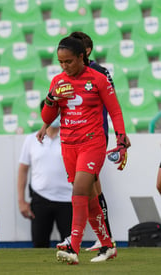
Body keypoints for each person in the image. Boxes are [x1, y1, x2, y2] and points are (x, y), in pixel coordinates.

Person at [42, 36, 130, 264]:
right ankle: (108, 245)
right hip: (68, 144)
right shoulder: (57, 81)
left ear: (82, 57)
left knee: (80, 189)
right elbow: (48, 117)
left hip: (92, 142)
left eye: (69, 61)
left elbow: (115, 111)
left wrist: (120, 139)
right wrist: (51, 98)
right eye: (61, 62)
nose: (64, 66)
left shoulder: (99, 79)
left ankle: (74, 246)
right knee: (89, 197)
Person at [18, 100, 73, 248]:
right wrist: (21, 201)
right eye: (51, 112)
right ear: (44, 115)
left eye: (57, 113)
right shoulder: (31, 140)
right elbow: (23, 170)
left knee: (71, 246)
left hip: (68, 199)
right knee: (39, 246)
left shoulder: (71, 137)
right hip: (40, 199)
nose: (54, 116)